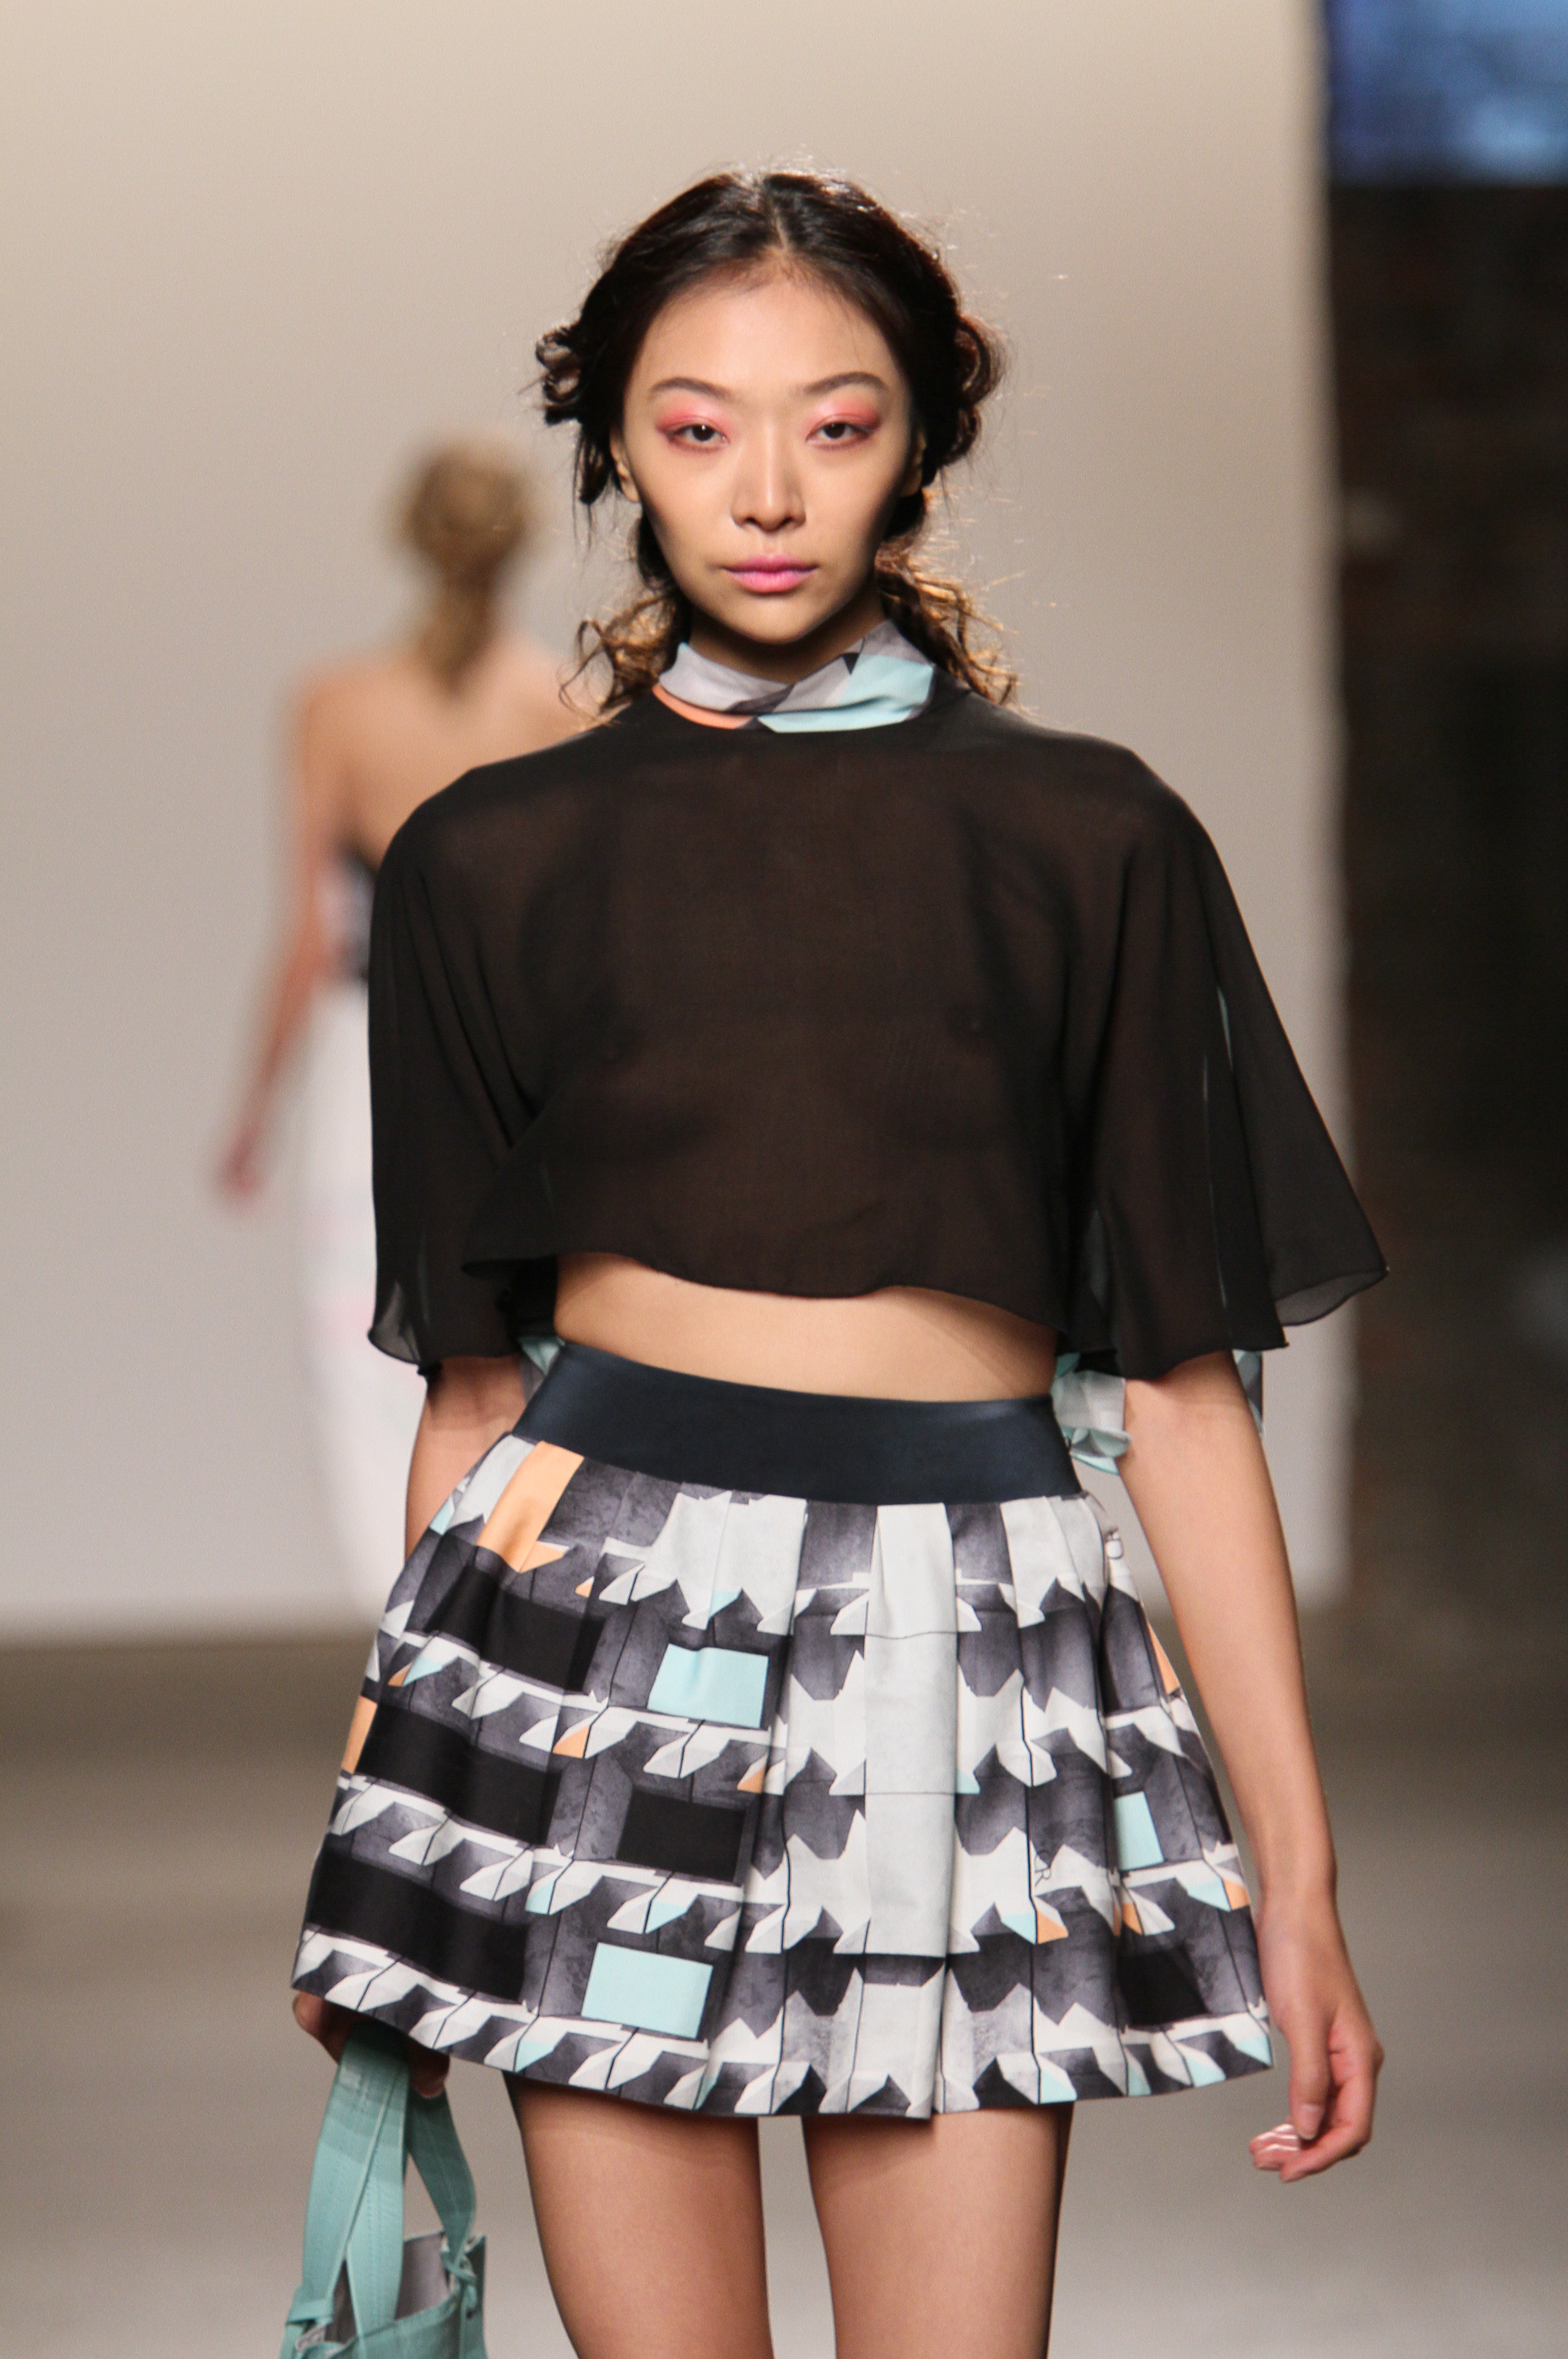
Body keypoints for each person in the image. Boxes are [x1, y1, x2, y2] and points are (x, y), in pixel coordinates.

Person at [289, 172, 1387, 2359]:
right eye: (697, 428)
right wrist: (387, 1815)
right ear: (614, 448)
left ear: (921, 444)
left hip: (968, 1652)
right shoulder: (486, 864)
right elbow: (477, 1398)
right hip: (587, 1649)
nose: (769, 491)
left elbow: (1181, 1392)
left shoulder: (1093, 839)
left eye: (837, 421)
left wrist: (1299, 1880)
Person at [217, 445, 579, 1614]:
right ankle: (507, 1617)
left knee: (362, 1347)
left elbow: (312, 934)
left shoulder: (335, 707)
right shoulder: (567, 705)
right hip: (521, 1060)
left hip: (368, 1061)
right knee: (527, 1338)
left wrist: (255, 1114)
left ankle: (408, 1629)